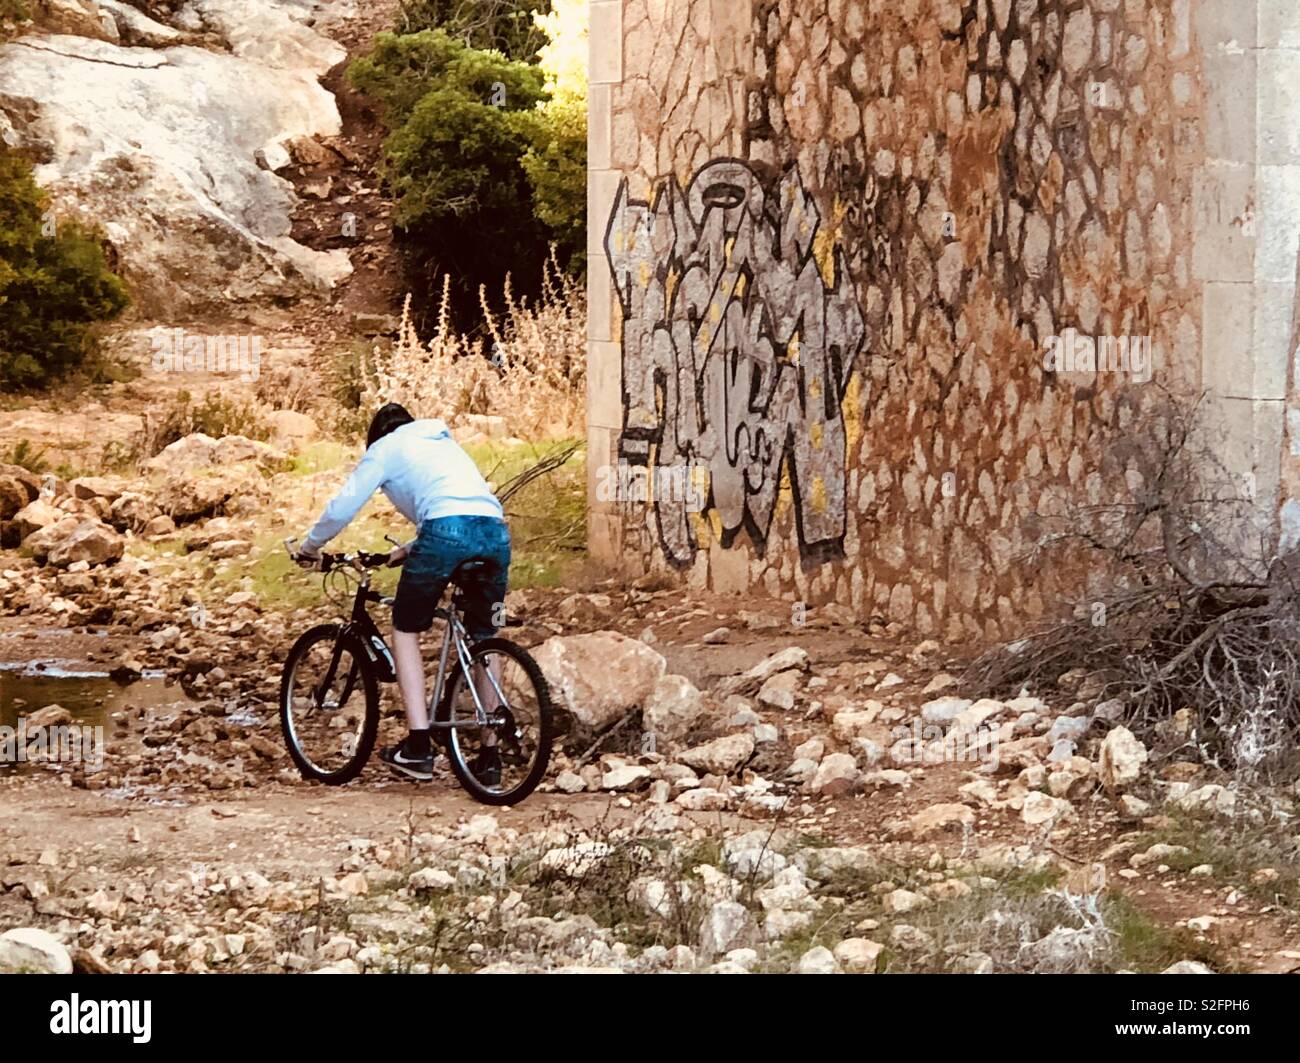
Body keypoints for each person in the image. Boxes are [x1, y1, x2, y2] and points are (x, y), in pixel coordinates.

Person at [295, 403, 511, 783]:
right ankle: (490, 756)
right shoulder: (442, 442)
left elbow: (342, 507)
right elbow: (457, 505)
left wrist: (310, 547)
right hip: (495, 532)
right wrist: (405, 550)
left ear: (376, 435)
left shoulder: (385, 448)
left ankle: (418, 745)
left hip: (446, 532)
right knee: (486, 637)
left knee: (406, 628)